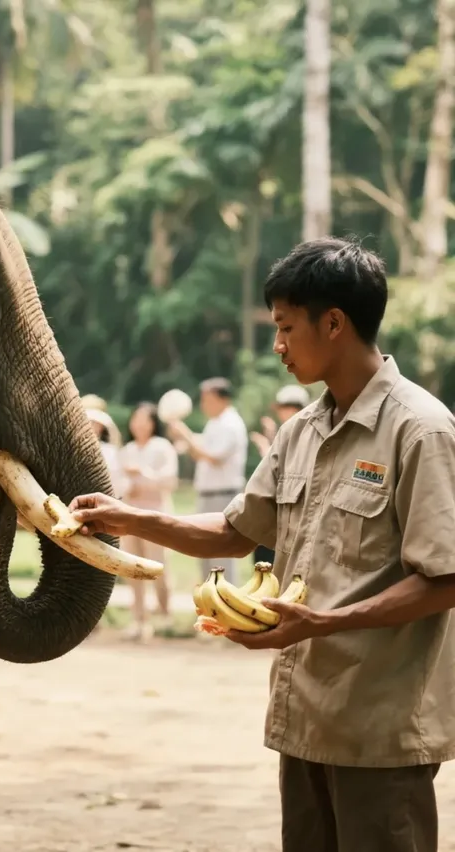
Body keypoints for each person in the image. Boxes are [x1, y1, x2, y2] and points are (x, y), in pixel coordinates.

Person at [68, 237, 455, 852]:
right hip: (303, 720)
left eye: (285, 328)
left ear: (333, 324)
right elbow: (233, 531)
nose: (276, 346)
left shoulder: (421, 430)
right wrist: (129, 517)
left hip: (378, 731)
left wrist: (322, 622)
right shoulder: (301, 432)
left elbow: (444, 580)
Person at [168, 377, 248, 584]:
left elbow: (213, 457)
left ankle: (227, 602)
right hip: (209, 494)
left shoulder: (231, 424)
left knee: (221, 551)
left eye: (207, 399)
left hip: (223, 495)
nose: (203, 405)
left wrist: (184, 434)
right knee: (204, 549)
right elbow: (199, 452)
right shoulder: (214, 424)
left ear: (222, 399)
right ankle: (210, 601)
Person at [119, 402, 179, 641]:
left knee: (158, 565)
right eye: (135, 419)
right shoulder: (127, 449)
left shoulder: (162, 447)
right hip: (130, 514)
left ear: (153, 423)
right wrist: (131, 486)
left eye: (144, 420)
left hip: (157, 513)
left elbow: (169, 481)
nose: (139, 424)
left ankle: (165, 615)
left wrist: (141, 474)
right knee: (132, 568)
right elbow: (119, 481)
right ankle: (139, 619)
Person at [250, 384, 311, 566]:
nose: (279, 414)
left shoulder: (307, 434)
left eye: (282, 409)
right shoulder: (289, 432)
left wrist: (265, 451)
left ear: (293, 408)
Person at [85, 407, 125, 496]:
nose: (91, 426)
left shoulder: (110, 451)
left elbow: (116, 477)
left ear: (101, 427)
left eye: (94, 423)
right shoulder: (76, 449)